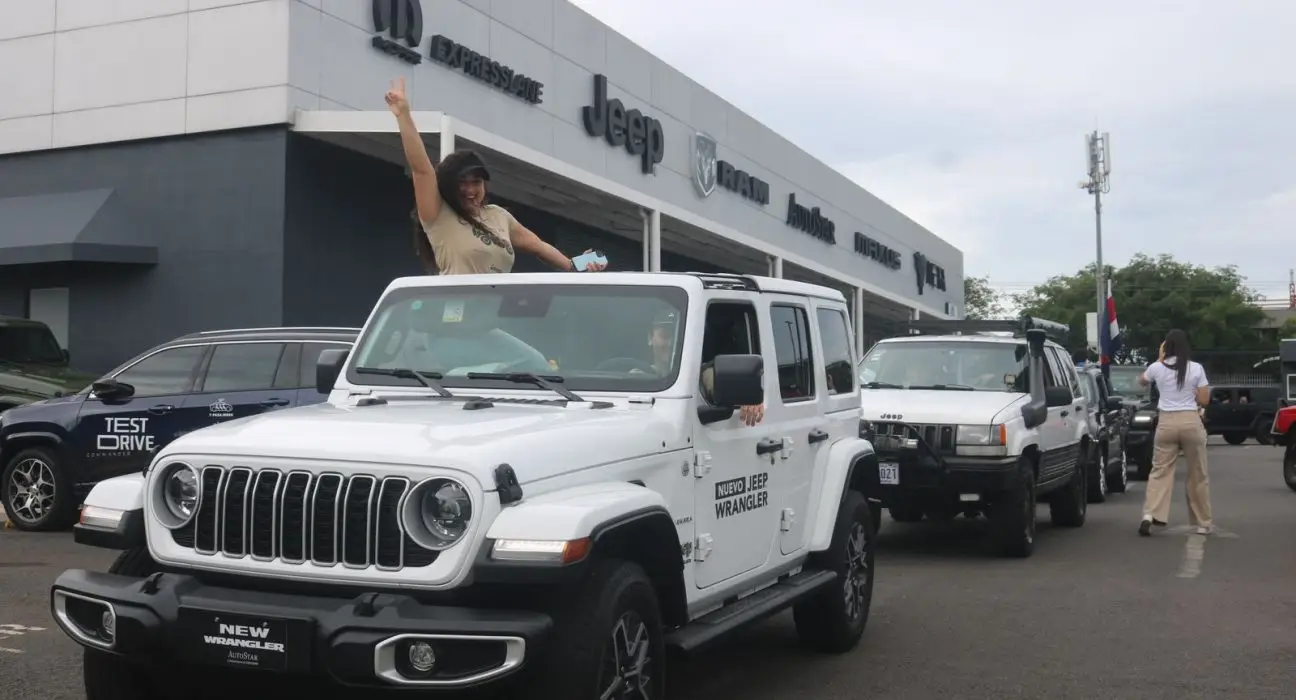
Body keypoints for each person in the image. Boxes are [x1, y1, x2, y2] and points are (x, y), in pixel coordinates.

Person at [384, 78, 607, 275]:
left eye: (476, 182)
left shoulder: (498, 216)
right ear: (450, 184)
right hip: (455, 315)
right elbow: (422, 169)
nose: (470, 190)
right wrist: (403, 115)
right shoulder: (437, 213)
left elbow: (538, 245)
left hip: (492, 316)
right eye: (462, 183)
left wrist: (575, 266)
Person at [1137, 329, 1213, 536]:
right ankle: (1202, 523)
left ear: (1166, 346)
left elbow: (1141, 381)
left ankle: (1149, 514)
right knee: (1198, 473)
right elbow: (1205, 400)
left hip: (1166, 423)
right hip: (1190, 420)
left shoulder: (1156, 367)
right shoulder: (1196, 368)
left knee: (1160, 471)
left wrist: (1159, 360)